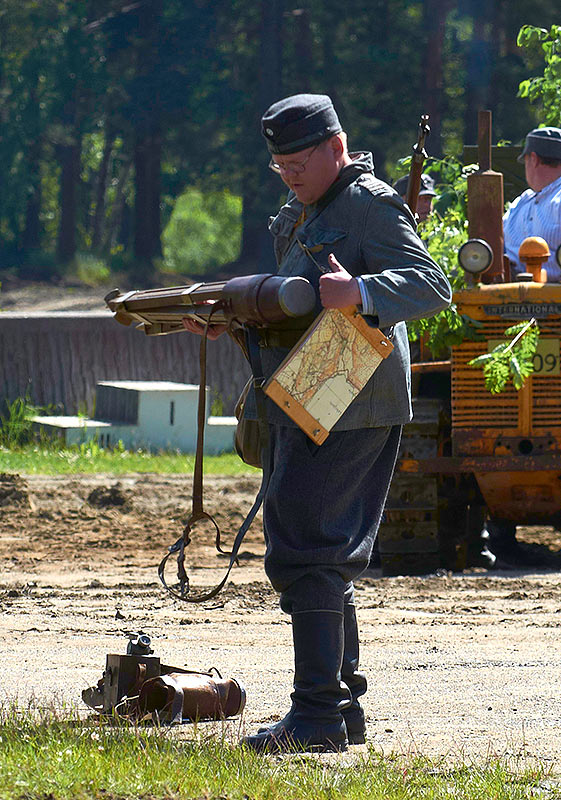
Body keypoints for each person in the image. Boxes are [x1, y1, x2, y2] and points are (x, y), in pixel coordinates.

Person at [184, 93, 452, 753]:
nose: (290, 175)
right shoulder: (303, 209)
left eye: (300, 162)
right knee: (316, 549)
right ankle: (338, 709)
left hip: (353, 390)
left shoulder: (367, 203)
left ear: (337, 148)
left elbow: (431, 284)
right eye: (281, 166)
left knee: (309, 549)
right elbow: (298, 308)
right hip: (316, 383)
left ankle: (316, 719)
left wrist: (361, 291)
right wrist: (234, 319)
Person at [503, 126, 561, 282]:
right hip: (509, 290)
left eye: (526, 161)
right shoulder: (522, 201)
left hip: (555, 292)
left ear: (533, 159)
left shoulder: (518, 206)